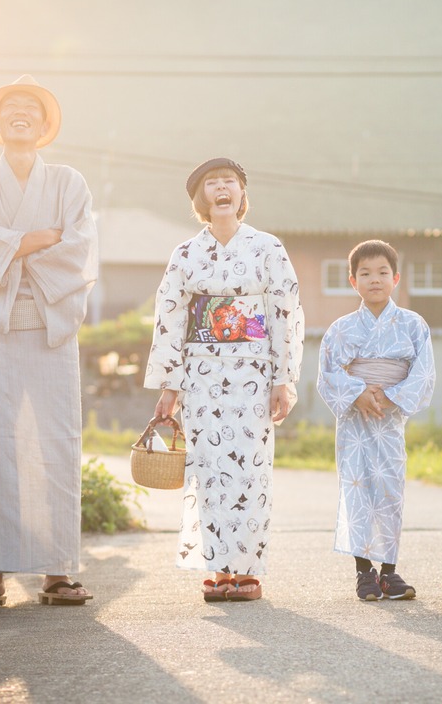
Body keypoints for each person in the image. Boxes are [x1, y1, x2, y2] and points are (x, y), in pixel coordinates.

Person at [0, 75, 98, 608]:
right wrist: (38, 239)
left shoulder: (69, 183)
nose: (19, 113)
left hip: (52, 330)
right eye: (9, 106)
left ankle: (58, 570)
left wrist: (6, 245)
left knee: (56, 442)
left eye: (30, 108)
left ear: (44, 124)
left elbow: (78, 248)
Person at [145, 158, 304, 603]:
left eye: (229, 183)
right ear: (201, 198)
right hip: (201, 373)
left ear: (241, 194)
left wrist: (282, 379)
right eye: (212, 184)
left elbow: (285, 313)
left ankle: (247, 569)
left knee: (251, 470)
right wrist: (169, 387)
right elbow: (170, 318)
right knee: (209, 470)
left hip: (253, 368)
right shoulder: (185, 254)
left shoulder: (268, 248)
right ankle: (218, 567)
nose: (221, 189)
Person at [317, 240, 435, 601]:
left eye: (383, 272)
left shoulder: (413, 325)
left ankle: (390, 572)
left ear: (396, 278)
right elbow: (327, 373)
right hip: (355, 419)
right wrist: (358, 393)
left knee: (390, 490)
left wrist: (388, 396)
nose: (375, 280)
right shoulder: (341, 329)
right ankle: (363, 572)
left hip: (389, 416)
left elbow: (424, 372)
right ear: (353, 281)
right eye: (365, 273)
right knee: (358, 489)